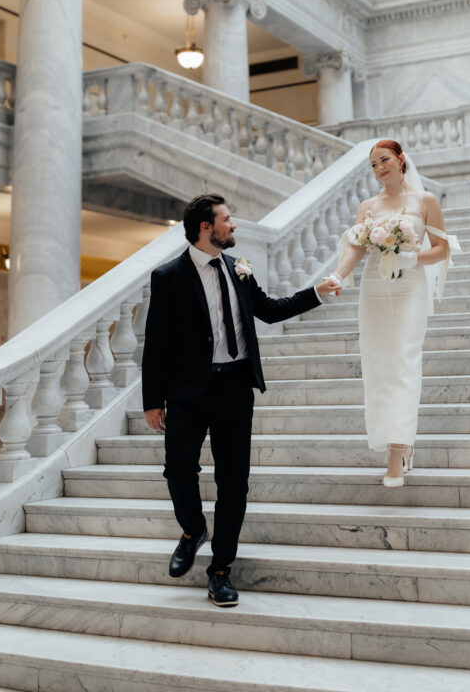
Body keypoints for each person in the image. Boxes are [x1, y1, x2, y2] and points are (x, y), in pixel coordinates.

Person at [142, 193, 340, 606]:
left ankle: (220, 571)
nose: (234, 226)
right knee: (178, 471)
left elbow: (268, 310)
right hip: (187, 392)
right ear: (205, 228)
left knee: (234, 484)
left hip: (234, 388)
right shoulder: (169, 276)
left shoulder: (239, 269)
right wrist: (152, 400)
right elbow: (156, 344)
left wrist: (315, 293)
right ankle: (193, 529)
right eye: (227, 220)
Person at [330, 140, 460, 486]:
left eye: (384, 160)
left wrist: (413, 258)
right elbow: (356, 247)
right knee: (378, 364)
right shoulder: (367, 206)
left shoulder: (425, 201)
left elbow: (443, 249)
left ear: (401, 160)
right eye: (373, 165)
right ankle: (395, 441)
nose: (379, 168)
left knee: (403, 361)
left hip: (410, 286)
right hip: (375, 287)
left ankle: (397, 452)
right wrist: (337, 276)